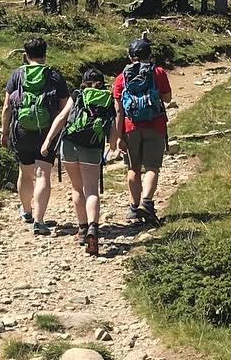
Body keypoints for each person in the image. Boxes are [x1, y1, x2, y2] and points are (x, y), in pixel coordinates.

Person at [40, 66, 118, 257]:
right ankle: (93, 228)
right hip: (92, 147)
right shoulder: (107, 99)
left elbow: (61, 117)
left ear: (84, 82)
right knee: (91, 190)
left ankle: (82, 229)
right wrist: (113, 145)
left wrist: (48, 140)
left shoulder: (77, 95)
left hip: (69, 145)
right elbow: (113, 129)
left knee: (77, 188)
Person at [0, 37, 68, 235]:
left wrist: (4, 131)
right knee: (43, 174)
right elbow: (65, 108)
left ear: (26, 55)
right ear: (45, 54)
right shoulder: (54, 75)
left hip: (21, 131)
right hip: (47, 132)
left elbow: (7, 107)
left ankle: (27, 211)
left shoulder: (17, 75)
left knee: (25, 172)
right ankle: (39, 220)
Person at [114, 36, 174, 227]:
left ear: (130, 56)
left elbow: (119, 111)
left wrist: (119, 136)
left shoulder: (121, 78)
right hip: (156, 125)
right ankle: (147, 202)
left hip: (130, 127)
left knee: (133, 168)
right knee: (152, 167)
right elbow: (167, 98)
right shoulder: (158, 72)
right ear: (150, 54)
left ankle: (133, 208)